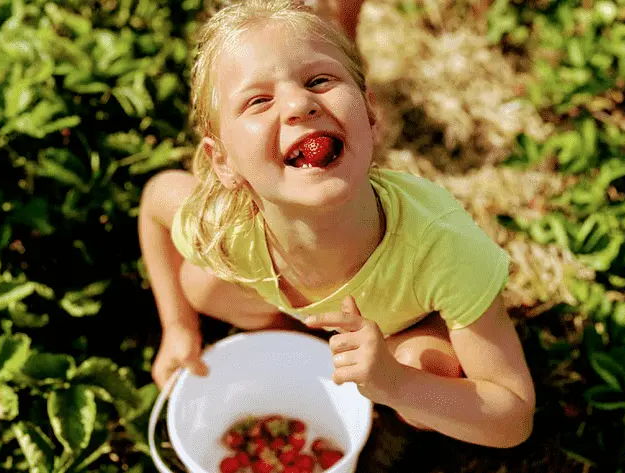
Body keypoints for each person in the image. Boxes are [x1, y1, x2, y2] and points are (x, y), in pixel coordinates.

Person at [138, 0, 535, 449]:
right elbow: (156, 202)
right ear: (224, 162)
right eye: (259, 100)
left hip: (403, 327)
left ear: (369, 115)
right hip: (299, 312)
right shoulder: (227, 226)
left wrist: (394, 381)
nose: (298, 104)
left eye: (320, 80)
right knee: (200, 283)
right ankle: (313, 352)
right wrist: (178, 327)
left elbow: (513, 417)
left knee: (426, 366)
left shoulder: (442, 246)